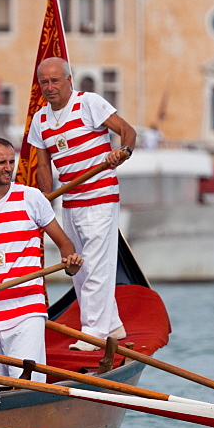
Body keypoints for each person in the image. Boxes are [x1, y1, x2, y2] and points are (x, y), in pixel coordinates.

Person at [27, 57, 136, 351]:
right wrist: (44, 201)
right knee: (77, 267)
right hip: (71, 201)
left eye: (55, 81)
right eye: (44, 83)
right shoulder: (41, 120)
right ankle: (112, 324)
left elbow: (128, 132)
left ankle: (94, 333)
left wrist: (122, 151)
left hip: (101, 196)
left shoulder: (89, 103)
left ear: (68, 80)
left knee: (96, 266)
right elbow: (44, 166)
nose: (50, 87)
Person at [0, 138, 83, 382]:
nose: (9, 168)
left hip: (26, 309)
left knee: (29, 385)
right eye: (1, 162)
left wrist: (71, 262)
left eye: (11, 162)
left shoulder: (31, 198)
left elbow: (64, 243)